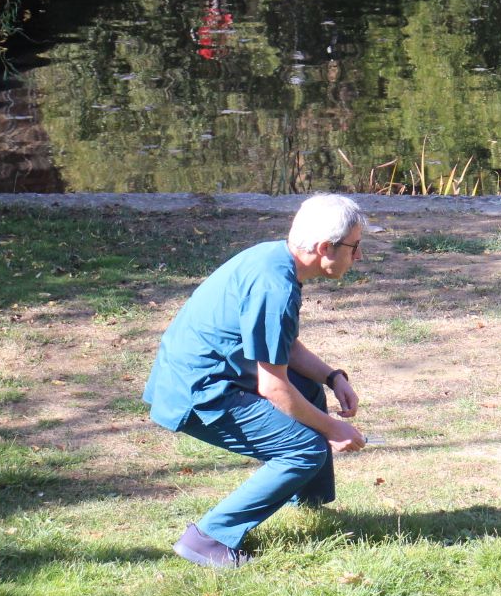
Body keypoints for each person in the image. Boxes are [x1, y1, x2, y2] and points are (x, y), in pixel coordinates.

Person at [143, 193, 377, 568]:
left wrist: (333, 378)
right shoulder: (275, 287)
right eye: (355, 246)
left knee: (308, 389)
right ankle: (207, 538)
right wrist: (333, 428)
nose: (359, 256)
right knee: (304, 450)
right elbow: (273, 387)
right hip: (198, 395)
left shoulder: (275, 259)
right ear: (324, 248)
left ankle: (308, 501)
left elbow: (284, 346)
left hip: (210, 378)